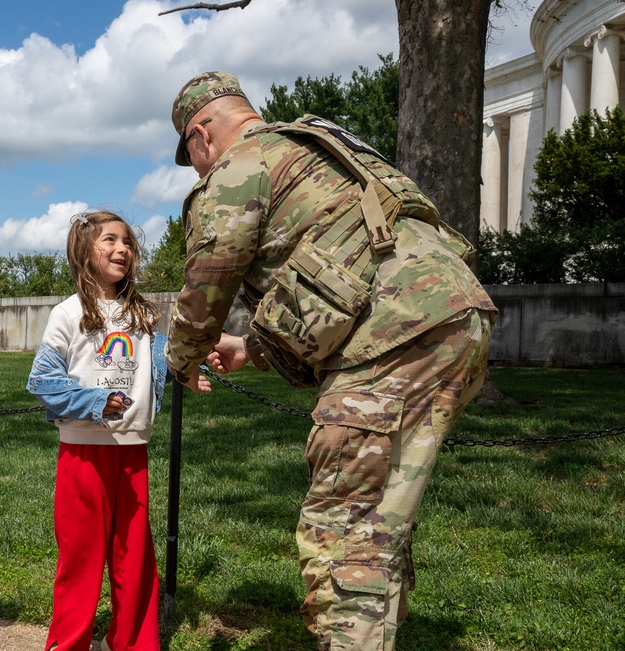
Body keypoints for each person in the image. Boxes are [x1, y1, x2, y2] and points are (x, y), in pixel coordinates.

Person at [164, 71, 497, 651]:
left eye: (191, 155)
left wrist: (184, 358)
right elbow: (346, 265)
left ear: (200, 136)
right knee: (379, 522)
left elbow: (210, 276)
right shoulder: (323, 149)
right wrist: (254, 347)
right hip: (455, 318)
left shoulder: (237, 168)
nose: (196, 167)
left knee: (343, 529)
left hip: (391, 340)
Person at [27, 211, 210, 651]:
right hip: (83, 454)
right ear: (83, 250)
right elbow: (43, 380)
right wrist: (94, 402)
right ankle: (68, 644)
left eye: (127, 242)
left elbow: (162, 362)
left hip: (133, 451)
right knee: (82, 561)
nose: (122, 249)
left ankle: (132, 643)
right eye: (110, 240)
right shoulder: (67, 313)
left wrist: (187, 369)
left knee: (135, 560)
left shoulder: (143, 314)